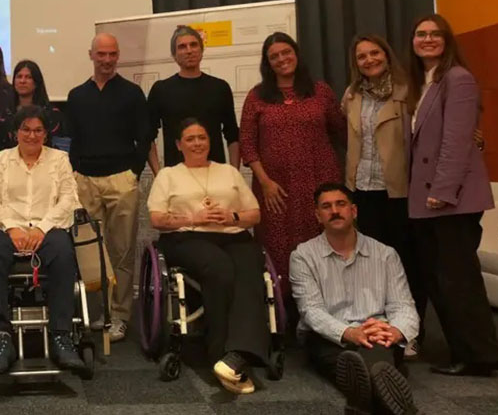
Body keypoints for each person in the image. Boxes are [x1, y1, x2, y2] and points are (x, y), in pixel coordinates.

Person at [406, 14, 498, 376]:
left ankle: (479, 356)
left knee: (459, 280)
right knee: (441, 279)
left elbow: (457, 141)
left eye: (435, 34)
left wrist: (443, 190)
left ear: (447, 40)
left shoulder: (458, 78)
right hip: (428, 199)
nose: (427, 39)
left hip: (450, 199)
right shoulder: (423, 83)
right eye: (421, 34)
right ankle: (465, 351)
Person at [147, 118, 267, 395]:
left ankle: (237, 356)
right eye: (190, 139)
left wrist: (232, 216)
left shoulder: (229, 172)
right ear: (179, 145)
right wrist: (193, 218)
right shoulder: (168, 175)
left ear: (210, 141)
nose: (197, 143)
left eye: (202, 137)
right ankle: (218, 352)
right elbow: (157, 219)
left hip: (232, 234)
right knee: (219, 266)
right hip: (186, 237)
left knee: (250, 265)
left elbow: (254, 214)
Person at [290, 183, 421, 415]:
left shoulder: (385, 254)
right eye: (326, 207)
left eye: (341, 204)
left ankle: (360, 403)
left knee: (369, 358)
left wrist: (395, 332)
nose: (334, 211)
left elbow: (403, 306)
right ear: (318, 216)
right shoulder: (303, 256)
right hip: (330, 336)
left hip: (378, 333)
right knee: (356, 362)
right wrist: (350, 333)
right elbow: (311, 311)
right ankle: (400, 403)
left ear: (354, 211)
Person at [0, 105, 84, 377]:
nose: (32, 135)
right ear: (15, 132)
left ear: (46, 134)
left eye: (38, 130)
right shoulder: (1, 160)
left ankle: (61, 335)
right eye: (25, 129)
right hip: (7, 227)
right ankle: (0, 337)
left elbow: (68, 200)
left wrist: (42, 228)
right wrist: (12, 228)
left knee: (63, 254)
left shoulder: (59, 160)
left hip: (48, 228)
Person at [239, 32, 345, 297]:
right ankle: (284, 308)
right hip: (275, 190)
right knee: (278, 246)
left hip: (318, 184)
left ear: (296, 54)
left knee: (323, 242)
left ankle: (327, 304)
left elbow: (341, 132)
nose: (281, 59)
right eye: (274, 56)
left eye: (286, 52)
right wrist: (265, 182)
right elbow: (247, 145)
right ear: (267, 63)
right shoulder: (257, 96)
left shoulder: (321, 91)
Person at [66, 33, 151, 342]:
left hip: (121, 180)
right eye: (101, 54)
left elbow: (145, 137)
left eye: (112, 54)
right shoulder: (77, 96)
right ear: (91, 55)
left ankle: (120, 316)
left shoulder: (132, 93)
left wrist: (133, 173)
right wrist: (76, 172)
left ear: (118, 56)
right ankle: (98, 312)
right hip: (85, 181)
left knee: (122, 252)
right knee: (91, 253)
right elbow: (71, 139)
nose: (107, 59)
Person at [342, 35, 424, 357]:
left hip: (399, 190)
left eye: (374, 53)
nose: (369, 60)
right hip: (363, 190)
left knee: (406, 263)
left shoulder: (408, 92)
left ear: (387, 55)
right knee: (372, 267)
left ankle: (411, 332)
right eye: (361, 56)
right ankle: (380, 329)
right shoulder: (351, 95)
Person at [148, 26, 240, 173]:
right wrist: (159, 174)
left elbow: (232, 134)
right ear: (174, 54)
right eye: (182, 47)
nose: (189, 50)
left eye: (193, 45)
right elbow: (148, 136)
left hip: (215, 174)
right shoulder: (161, 90)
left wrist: (234, 173)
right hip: (176, 176)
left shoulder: (220, 87)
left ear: (201, 50)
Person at [8, 59, 69, 146]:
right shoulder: (6, 113)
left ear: (36, 82)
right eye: (19, 77)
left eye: (28, 77)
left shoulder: (51, 114)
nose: (22, 81)